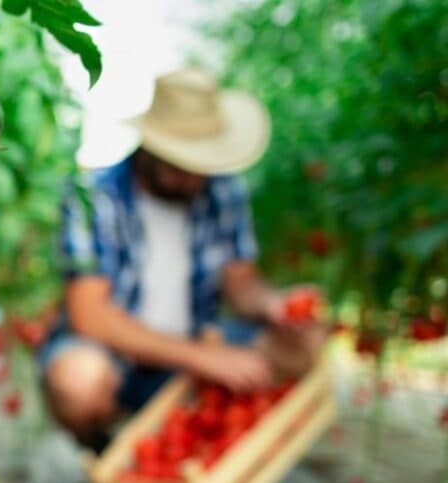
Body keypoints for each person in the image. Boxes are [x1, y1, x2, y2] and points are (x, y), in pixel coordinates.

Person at [40, 67, 324, 450]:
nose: (194, 178)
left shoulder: (223, 191)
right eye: (181, 165)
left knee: (307, 343)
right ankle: (106, 450)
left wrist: (272, 304)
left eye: (201, 165)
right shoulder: (93, 196)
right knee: (77, 380)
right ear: (152, 148)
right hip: (119, 359)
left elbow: (241, 283)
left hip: (195, 348)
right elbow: (89, 315)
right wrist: (203, 358)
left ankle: (209, 440)